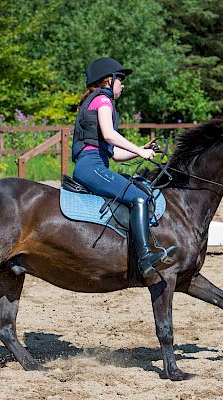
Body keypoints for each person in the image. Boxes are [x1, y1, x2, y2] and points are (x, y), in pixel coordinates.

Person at [71, 57, 177, 278]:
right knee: (140, 197)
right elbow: (110, 135)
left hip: (93, 164)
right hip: (91, 167)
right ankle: (145, 255)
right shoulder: (103, 100)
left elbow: (116, 155)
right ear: (108, 81)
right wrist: (140, 152)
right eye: (120, 79)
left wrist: (141, 148)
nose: (122, 84)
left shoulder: (94, 100)